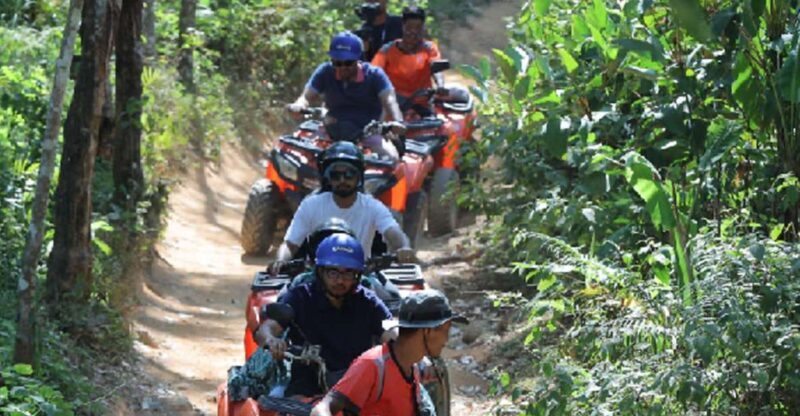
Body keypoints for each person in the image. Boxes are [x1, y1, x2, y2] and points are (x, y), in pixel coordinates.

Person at [255, 233, 394, 397]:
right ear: (320, 272)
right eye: (333, 273)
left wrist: (415, 355)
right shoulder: (299, 297)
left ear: (357, 276)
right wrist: (271, 340)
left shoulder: (368, 302)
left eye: (348, 274)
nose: (340, 281)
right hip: (306, 387)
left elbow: (391, 331)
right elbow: (266, 328)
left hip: (357, 386)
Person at [310, 289, 468, 416]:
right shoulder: (373, 364)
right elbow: (322, 409)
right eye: (446, 331)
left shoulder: (412, 366)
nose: (446, 341)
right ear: (428, 331)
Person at [271, 141, 414, 271]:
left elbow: (394, 233)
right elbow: (290, 244)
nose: (342, 180)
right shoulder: (310, 205)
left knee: (394, 297)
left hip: (361, 276)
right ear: (328, 178)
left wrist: (403, 248)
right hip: (316, 277)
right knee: (283, 298)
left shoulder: (373, 207)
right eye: (335, 175)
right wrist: (280, 260)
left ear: (358, 177)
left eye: (349, 174)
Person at [287, 31, 404, 159]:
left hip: (367, 132)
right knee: (301, 158)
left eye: (348, 63)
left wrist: (397, 121)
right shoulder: (325, 71)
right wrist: (298, 105)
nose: (342, 67)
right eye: (337, 63)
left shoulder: (374, 75)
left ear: (357, 60)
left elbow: (390, 99)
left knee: (391, 158)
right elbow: (306, 96)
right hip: (330, 130)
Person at [371, 6, 443, 117]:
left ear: (423, 28)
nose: (413, 31)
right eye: (409, 27)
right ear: (402, 27)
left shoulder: (429, 48)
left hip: (422, 104)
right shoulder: (387, 50)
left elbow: (436, 67)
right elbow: (374, 73)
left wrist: (440, 85)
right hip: (394, 104)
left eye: (418, 28)